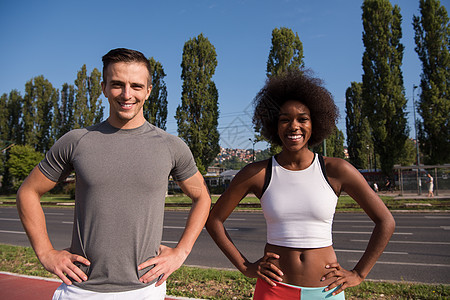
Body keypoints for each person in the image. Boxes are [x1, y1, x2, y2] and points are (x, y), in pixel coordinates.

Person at [16, 48, 211, 299]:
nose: (127, 94)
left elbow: (203, 197)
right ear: (104, 88)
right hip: (80, 289)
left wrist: (181, 252)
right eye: (117, 84)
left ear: (149, 91)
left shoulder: (171, 146)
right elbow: (28, 192)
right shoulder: (76, 141)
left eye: (136, 86)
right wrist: (46, 253)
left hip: (145, 289)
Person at [206, 70, 395, 299]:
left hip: (326, 291)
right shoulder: (258, 173)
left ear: (315, 124)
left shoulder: (336, 170)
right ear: (274, 126)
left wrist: (359, 273)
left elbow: (385, 221)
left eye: (302, 119)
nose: (293, 126)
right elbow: (213, 220)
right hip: (274, 290)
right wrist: (245, 267)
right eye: (285, 119)